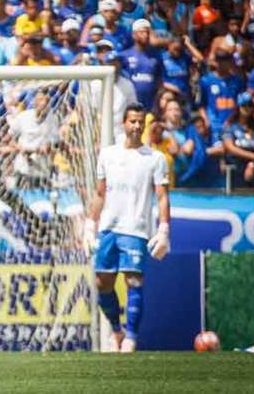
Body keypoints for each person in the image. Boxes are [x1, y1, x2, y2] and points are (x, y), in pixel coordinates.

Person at [84, 103, 171, 353]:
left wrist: (164, 229)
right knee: (102, 283)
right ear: (124, 123)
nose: (136, 126)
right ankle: (117, 330)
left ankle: (132, 337)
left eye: (140, 122)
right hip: (109, 228)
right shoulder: (107, 154)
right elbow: (100, 194)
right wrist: (91, 223)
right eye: (132, 121)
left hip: (136, 227)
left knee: (134, 279)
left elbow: (163, 196)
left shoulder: (155, 158)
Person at [222, 92, 254, 188]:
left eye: (250, 105)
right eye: (244, 105)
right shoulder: (230, 125)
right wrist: (252, 156)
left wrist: (252, 163)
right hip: (237, 166)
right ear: (238, 107)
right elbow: (230, 147)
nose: (247, 108)